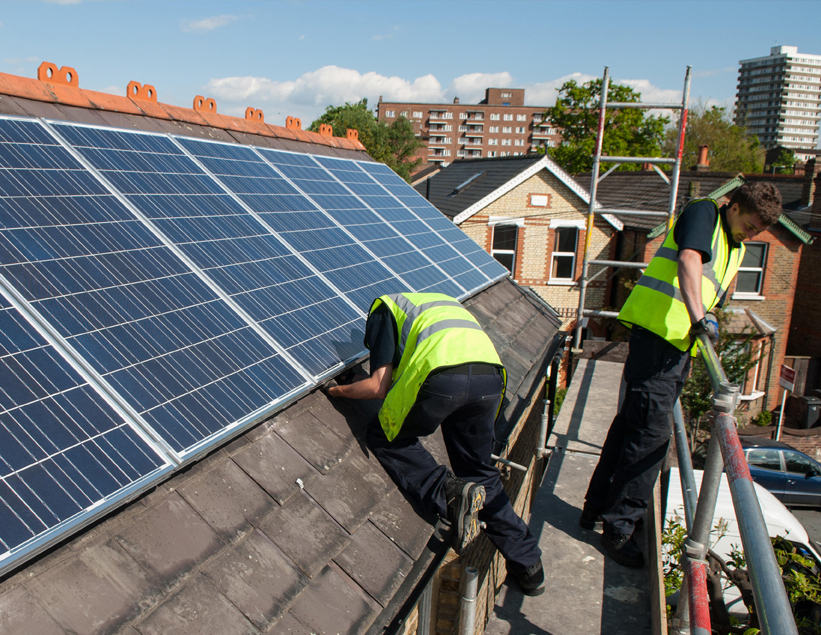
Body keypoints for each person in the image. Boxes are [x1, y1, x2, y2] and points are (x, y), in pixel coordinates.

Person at [581, 182, 782, 568]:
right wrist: (699, 318)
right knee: (652, 440)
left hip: (674, 347)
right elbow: (688, 259)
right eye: (750, 225)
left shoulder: (733, 246)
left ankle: (596, 510)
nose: (751, 235)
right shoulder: (704, 213)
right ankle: (620, 528)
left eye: (758, 232)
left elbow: (711, 286)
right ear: (734, 206)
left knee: (631, 428)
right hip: (660, 339)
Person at [325, 292, 545, 596]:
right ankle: (529, 564)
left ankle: (450, 495)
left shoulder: (382, 310)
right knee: (479, 470)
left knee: (386, 436)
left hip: (444, 378)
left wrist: (338, 392)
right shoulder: (437, 303)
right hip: (490, 378)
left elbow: (378, 385)